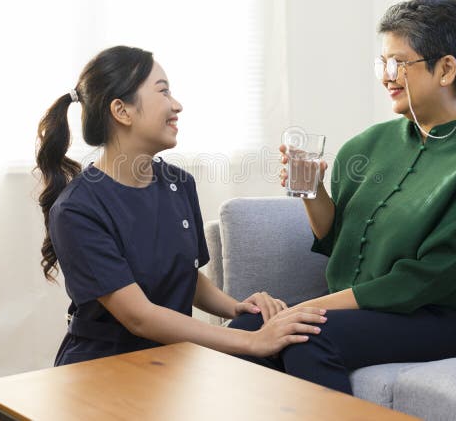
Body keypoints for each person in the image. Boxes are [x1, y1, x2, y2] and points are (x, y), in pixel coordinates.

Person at [228, 0, 456, 394]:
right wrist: (312, 190)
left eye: (398, 63)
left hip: (454, 316)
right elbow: (335, 239)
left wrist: (301, 311)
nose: (387, 76)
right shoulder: (367, 144)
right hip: (377, 308)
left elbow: (427, 279)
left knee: (305, 335)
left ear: (446, 69)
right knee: (247, 327)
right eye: (382, 63)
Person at [34, 45, 326, 365]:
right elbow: (139, 318)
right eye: (164, 92)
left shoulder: (178, 184)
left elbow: (183, 274)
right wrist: (252, 341)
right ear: (122, 111)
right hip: (105, 364)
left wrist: (235, 307)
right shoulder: (78, 209)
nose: (177, 105)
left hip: (173, 360)